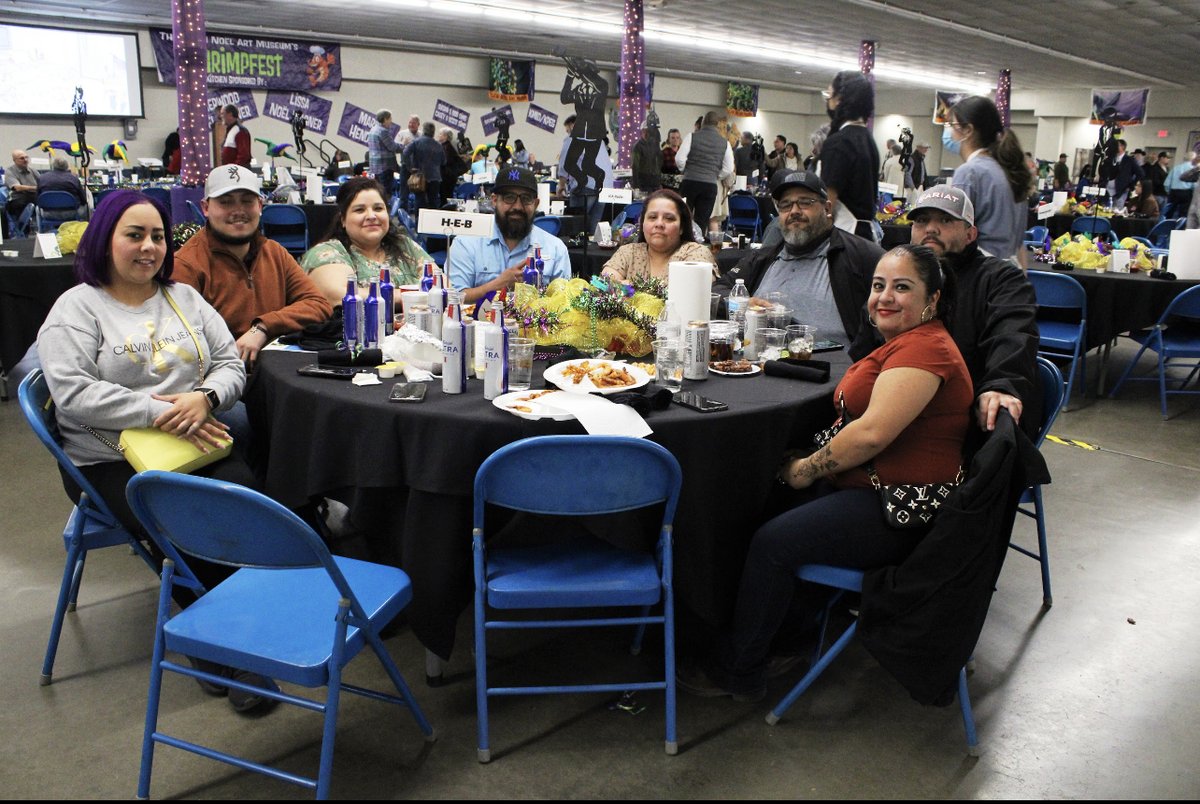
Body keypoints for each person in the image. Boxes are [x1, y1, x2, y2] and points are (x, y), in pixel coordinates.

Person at [679, 242, 972, 701]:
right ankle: (778, 634)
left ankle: (743, 669)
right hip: (871, 485)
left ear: (932, 300)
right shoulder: (903, 342)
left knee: (772, 542)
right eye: (878, 286)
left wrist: (805, 470)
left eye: (902, 288)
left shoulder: (926, 350)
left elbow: (872, 434)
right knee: (757, 502)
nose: (884, 297)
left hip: (900, 506)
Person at [36, 189, 275, 713]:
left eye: (158, 236)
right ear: (104, 240)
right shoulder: (75, 309)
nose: (149, 247)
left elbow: (229, 364)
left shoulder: (184, 298)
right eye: (134, 235)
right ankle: (225, 646)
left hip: (189, 438)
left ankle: (241, 617)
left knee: (249, 505)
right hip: (105, 457)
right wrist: (162, 411)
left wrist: (206, 397)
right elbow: (74, 394)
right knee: (184, 524)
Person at [900, 185, 1040, 435]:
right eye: (922, 220)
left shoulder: (1001, 279)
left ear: (970, 234)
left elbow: (1013, 335)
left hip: (962, 418)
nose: (931, 228)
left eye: (945, 219)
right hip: (897, 402)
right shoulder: (898, 277)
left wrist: (1000, 385)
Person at [173, 165, 332, 366]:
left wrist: (263, 327)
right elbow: (181, 345)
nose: (238, 211)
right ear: (205, 208)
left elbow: (318, 305)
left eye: (247, 201)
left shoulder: (275, 253)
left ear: (260, 206)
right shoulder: (186, 265)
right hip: (221, 379)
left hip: (277, 370)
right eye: (226, 202)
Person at [714, 169, 883, 354]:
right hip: (761, 367)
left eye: (805, 202)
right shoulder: (763, 258)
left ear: (827, 208)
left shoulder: (860, 256)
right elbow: (717, 292)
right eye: (785, 205)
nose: (794, 211)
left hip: (832, 373)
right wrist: (744, 303)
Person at [300, 177, 433, 309]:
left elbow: (441, 284)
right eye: (359, 210)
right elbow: (338, 295)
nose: (371, 216)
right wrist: (411, 297)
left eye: (378, 208)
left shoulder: (404, 245)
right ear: (343, 220)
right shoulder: (327, 252)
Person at [448, 165, 571, 304]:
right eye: (509, 197)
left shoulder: (555, 249)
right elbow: (453, 298)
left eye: (526, 199)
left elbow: (565, 305)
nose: (517, 206)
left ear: (536, 204)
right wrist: (497, 285)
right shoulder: (466, 243)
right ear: (494, 200)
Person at [945, 95, 1034, 266]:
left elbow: (955, 236)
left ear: (968, 130)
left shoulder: (969, 173)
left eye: (953, 126)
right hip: (1010, 271)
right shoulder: (1011, 170)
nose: (950, 133)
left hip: (981, 272)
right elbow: (1020, 242)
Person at [599, 189, 715, 283]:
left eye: (669, 218)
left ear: (682, 227)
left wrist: (628, 288)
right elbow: (605, 283)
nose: (659, 224)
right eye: (652, 217)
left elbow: (696, 286)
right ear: (643, 224)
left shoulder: (695, 252)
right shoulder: (628, 252)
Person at [819, 71, 879, 240]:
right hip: (866, 235)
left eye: (829, 95)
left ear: (839, 99)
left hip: (844, 234)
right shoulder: (868, 138)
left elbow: (827, 205)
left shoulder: (839, 142)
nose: (828, 101)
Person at [676, 110, 735, 231]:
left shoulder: (691, 137)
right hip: (709, 185)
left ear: (703, 122)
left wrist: (685, 170)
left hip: (689, 182)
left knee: (683, 217)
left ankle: (681, 244)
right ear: (717, 124)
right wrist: (716, 176)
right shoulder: (725, 143)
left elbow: (679, 159)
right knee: (702, 220)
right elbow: (729, 168)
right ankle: (698, 245)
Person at [403, 121, 446, 211]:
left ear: (423, 130)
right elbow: (443, 162)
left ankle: (419, 222)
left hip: (419, 176)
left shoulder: (416, 142)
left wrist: (410, 167)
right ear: (433, 132)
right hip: (435, 177)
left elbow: (405, 153)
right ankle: (431, 222)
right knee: (433, 202)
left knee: (419, 201)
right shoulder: (439, 145)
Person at [35, 156, 88, 220]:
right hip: (72, 213)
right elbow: (83, 199)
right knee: (87, 206)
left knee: (37, 208)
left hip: (48, 214)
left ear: (53, 166)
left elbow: (37, 199)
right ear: (66, 166)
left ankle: (41, 229)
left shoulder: (42, 178)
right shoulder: (74, 179)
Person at [367, 109, 404, 196]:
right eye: (390, 119)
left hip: (375, 167)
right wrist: (405, 145)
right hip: (385, 167)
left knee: (378, 192)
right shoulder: (383, 131)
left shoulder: (373, 129)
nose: (391, 121)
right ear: (385, 119)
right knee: (386, 193)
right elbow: (392, 147)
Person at [4, 148, 39, 236]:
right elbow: (17, 188)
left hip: (33, 196)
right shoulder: (10, 171)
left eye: (26, 157)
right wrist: (36, 188)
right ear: (15, 160)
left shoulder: (32, 170)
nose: (25, 160)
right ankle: (23, 230)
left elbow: (43, 182)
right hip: (18, 198)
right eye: (22, 158)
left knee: (45, 200)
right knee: (19, 203)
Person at [438, 127, 468, 207]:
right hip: (450, 177)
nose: (438, 136)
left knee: (445, 198)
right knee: (447, 196)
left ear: (445, 136)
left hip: (446, 177)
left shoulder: (446, 148)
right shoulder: (449, 146)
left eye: (440, 134)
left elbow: (445, 161)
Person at [1110, 139, 1143, 209]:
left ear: (1122, 147)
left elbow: (1140, 173)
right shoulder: (1111, 158)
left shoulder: (1130, 160)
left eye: (1116, 145)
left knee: (1117, 210)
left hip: (1121, 189)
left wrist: (1131, 185)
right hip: (1109, 189)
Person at [632, 125, 663, 193]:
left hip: (655, 181)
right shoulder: (638, 146)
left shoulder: (655, 145)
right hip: (644, 181)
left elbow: (659, 163)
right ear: (643, 131)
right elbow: (635, 166)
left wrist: (659, 181)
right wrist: (636, 185)